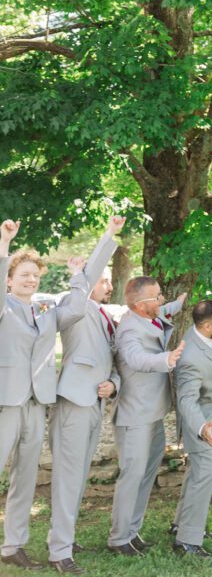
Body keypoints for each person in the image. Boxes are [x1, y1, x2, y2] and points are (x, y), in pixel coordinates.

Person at [0, 216, 121, 572]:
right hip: (6, 402)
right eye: (24, 274)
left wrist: (108, 236)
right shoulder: (3, 308)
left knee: (25, 476)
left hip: (38, 403)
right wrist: (4, 245)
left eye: (35, 275)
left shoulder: (47, 311)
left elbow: (80, 298)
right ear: (9, 279)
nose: (31, 279)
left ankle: (12, 546)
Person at [48, 259, 123, 574]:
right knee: (67, 478)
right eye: (104, 280)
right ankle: (59, 552)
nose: (109, 286)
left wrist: (114, 385)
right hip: (74, 403)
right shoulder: (73, 304)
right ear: (88, 281)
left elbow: (114, 362)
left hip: (96, 404)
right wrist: (106, 241)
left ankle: (66, 537)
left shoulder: (105, 315)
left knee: (78, 477)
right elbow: (77, 295)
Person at [108, 276, 186, 556]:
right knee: (132, 476)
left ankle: (132, 531)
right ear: (141, 305)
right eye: (157, 297)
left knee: (146, 475)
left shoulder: (149, 314)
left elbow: (166, 311)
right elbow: (136, 359)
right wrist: (167, 359)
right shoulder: (129, 330)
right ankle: (118, 539)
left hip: (153, 411)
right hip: (135, 415)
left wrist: (180, 302)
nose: (162, 300)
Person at [172, 300, 212, 558]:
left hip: (211, 416)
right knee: (204, 473)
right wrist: (200, 428)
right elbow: (185, 399)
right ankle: (187, 539)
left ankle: (179, 524)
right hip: (202, 423)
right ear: (206, 326)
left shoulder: (202, 334)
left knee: (197, 473)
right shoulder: (191, 358)